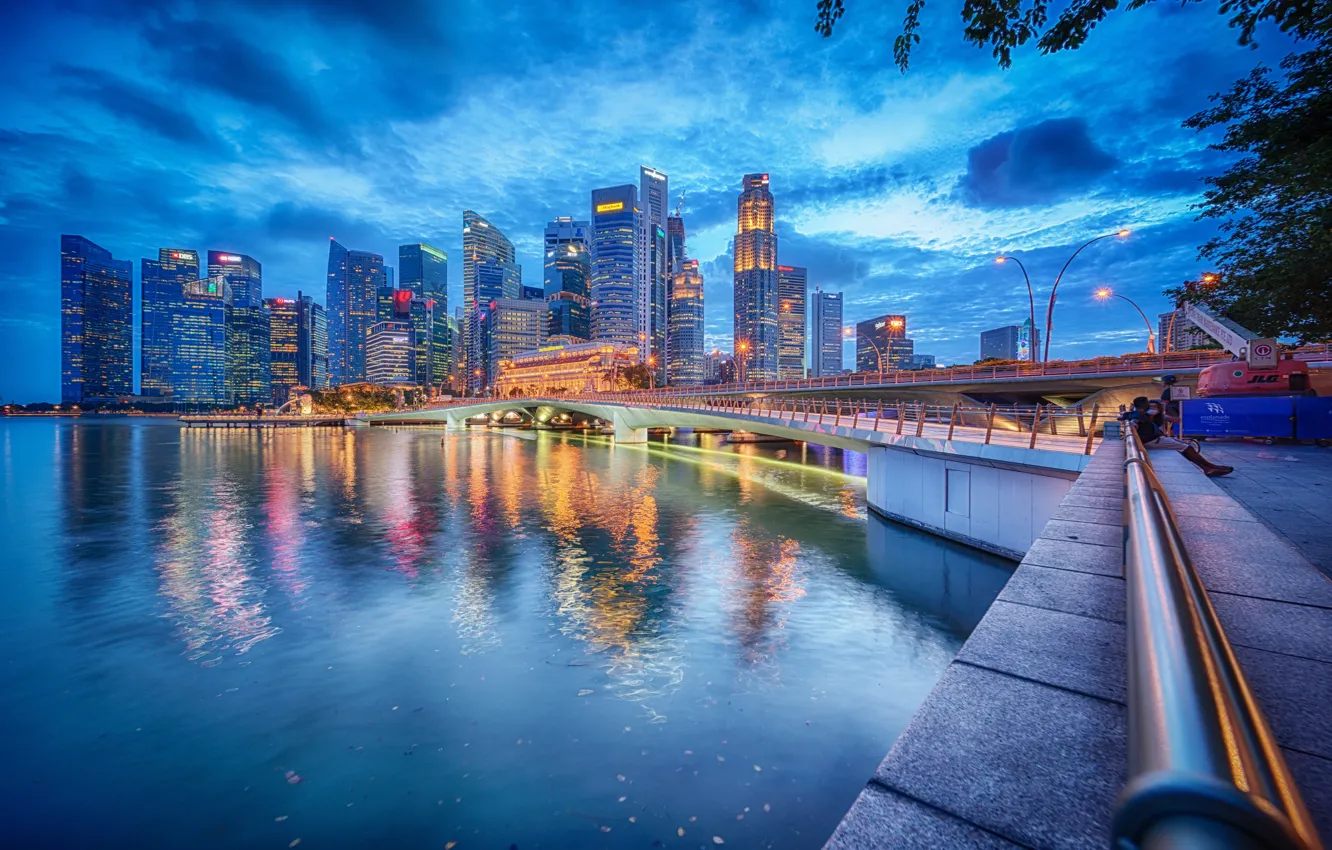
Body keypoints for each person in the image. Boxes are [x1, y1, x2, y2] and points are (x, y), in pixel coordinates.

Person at [1124, 396, 1233, 476]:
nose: (1152, 409)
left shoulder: (1153, 417)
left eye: (1154, 407)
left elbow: (1171, 419)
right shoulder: (1140, 415)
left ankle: (1209, 466)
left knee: (1184, 445)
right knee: (1187, 447)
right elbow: (1134, 419)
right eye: (1150, 406)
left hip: (1156, 439)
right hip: (1153, 441)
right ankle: (1207, 467)